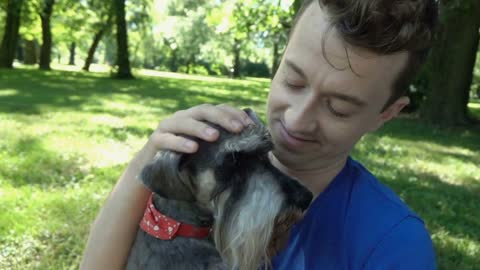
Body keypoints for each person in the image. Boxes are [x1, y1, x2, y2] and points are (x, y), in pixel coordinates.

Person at [80, 0, 438, 269]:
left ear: (387, 113)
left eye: (338, 108)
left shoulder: (393, 244)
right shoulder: (201, 165)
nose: (297, 120)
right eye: (293, 81)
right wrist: (153, 156)